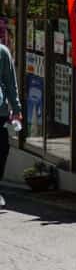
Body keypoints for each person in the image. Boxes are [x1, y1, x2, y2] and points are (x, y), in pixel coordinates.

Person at [0, 42, 21, 207]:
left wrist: (16, 108)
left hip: (0, 110)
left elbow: (10, 81)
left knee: (2, 149)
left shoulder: (2, 52)